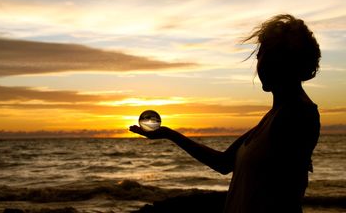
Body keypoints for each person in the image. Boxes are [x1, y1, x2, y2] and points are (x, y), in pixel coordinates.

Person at [129, 14, 321, 213]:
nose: (259, 64)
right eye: (259, 57)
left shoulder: (297, 115)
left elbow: (282, 195)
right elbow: (223, 163)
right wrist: (169, 134)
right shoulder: (274, 116)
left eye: (264, 55)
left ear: (285, 60)